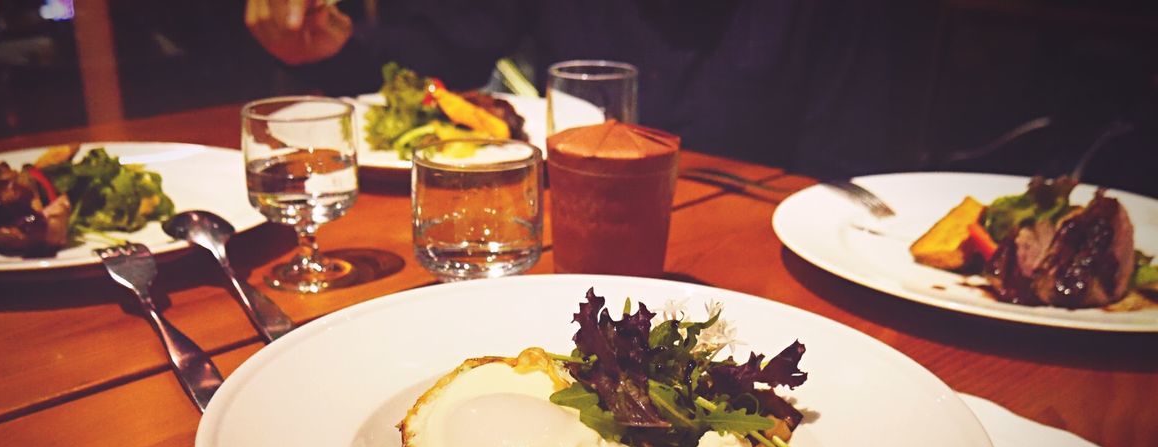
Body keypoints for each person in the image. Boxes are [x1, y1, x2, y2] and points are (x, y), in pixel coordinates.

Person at [243, 0, 923, 179]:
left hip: (757, 265)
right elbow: (442, 51)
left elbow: (847, 180)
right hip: (569, 241)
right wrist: (331, 49)